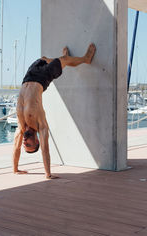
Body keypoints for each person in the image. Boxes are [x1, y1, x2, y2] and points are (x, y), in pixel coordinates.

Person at [13, 43, 96, 179]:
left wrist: (15, 169)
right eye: (29, 144)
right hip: (42, 79)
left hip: (28, 78)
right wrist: (48, 174)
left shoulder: (21, 127)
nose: (24, 142)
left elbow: (16, 148)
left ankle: (66, 58)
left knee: (44, 58)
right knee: (63, 61)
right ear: (37, 141)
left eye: (25, 145)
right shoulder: (41, 125)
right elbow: (45, 150)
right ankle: (85, 59)